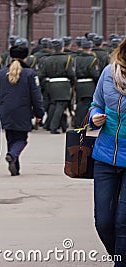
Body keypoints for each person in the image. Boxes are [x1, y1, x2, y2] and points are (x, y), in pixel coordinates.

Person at [89, 38, 126, 266]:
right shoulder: (108, 73)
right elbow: (96, 103)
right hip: (105, 156)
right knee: (102, 222)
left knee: (123, 222)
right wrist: (95, 117)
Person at [0, 45, 44, 176]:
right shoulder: (30, 74)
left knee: (11, 139)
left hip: (6, 111)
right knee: (22, 139)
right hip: (23, 111)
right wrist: (39, 113)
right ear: (25, 57)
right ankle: (12, 155)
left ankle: (15, 168)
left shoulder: (1, 73)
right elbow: (36, 96)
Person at [39, 38, 75, 134]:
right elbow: (71, 73)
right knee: (61, 106)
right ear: (62, 47)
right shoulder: (67, 59)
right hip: (63, 85)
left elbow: (42, 74)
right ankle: (53, 127)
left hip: (51, 85)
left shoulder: (47, 60)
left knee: (55, 105)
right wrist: (73, 83)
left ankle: (62, 126)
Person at [73, 40, 99, 128]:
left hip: (79, 84)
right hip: (89, 85)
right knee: (86, 106)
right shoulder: (93, 59)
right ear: (90, 48)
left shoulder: (76, 59)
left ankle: (78, 122)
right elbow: (94, 74)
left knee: (80, 104)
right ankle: (81, 124)